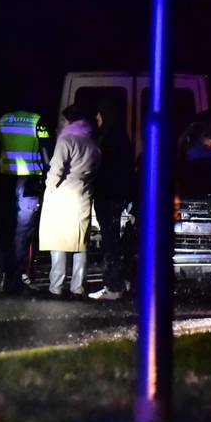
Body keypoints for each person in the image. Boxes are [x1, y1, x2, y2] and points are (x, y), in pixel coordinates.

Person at [39, 103, 102, 299]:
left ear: (69, 120)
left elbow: (56, 168)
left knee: (59, 242)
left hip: (61, 195)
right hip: (82, 195)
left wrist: (49, 186)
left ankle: (56, 286)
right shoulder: (93, 143)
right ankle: (78, 287)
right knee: (79, 243)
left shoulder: (67, 139)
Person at [0, 108, 50, 294]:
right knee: (24, 232)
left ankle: (4, 276)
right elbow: (45, 148)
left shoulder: (3, 119)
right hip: (29, 180)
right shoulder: (36, 120)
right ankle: (20, 277)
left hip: (5, 179)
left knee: (5, 230)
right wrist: (47, 174)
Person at [88, 100, 135, 301]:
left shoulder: (109, 140)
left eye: (99, 115)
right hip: (116, 196)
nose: (96, 119)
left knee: (111, 242)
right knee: (114, 241)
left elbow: (104, 169)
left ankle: (113, 286)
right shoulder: (121, 137)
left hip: (108, 196)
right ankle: (118, 283)